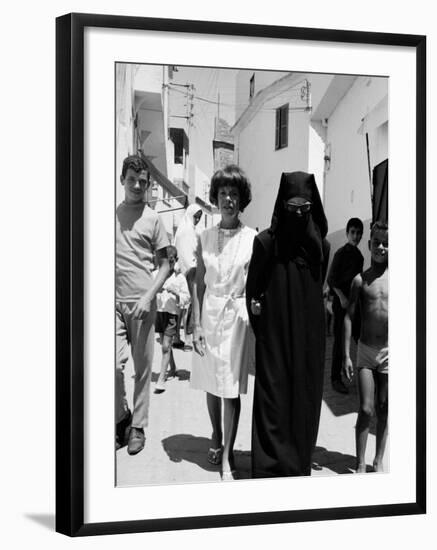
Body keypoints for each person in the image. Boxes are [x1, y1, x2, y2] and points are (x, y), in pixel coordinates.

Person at [246, 171, 330, 479]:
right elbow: (252, 290)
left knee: (303, 399)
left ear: (312, 208)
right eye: (291, 206)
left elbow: (316, 288)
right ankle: (268, 467)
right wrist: (262, 324)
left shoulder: (320, 247)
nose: (297, 213)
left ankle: (297, 465)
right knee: (274, 399)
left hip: (309, 341)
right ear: (282, 205)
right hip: (276, 339)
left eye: (303, 208)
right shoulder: (266, 244)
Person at [190, 165, 256, 480]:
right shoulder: (204, 237)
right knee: (210, 383)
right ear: (215, 198)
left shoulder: (252, 238)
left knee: (230, 389)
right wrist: (196, 325)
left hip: (236, 318)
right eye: (222, 193)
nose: (228, 199)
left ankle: (228, 455)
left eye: (233, 193)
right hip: (210, 314)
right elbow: (199, 283)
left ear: (242, 199)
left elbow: (257, 283)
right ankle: (216, 434)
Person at [115, 154, 170, 455]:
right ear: (122, 180)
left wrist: (149, 296)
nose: (137, 185)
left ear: (148, 185)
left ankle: (137, 426)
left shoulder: (153, 219)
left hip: (142, 304)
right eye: (132, 179)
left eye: (143, 182)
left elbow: (165, 265)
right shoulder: (110, 215)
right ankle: (120, 417)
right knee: (111, 366)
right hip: (112, 304)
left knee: (142, 368)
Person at [343, 221, 388, 473]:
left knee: (384, 408)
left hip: (389, 353)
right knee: (366, 408)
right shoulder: (360, 281)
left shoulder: (398, 279)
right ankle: (360, 461)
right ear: (369, 245)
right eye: (376, 242)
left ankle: (378, 459)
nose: (381, 247)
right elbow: (348, 316)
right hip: (365, 351)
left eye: (386, 243)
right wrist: (345, 356)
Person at [327, 218, 364, 394]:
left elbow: (357, 282)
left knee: (358, 337)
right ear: (347, 233)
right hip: (340, 303)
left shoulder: (359, 257)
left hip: (353, 305)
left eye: (358, 233)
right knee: (340, 342)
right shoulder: (340, 254)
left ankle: (362, 372)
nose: (355, 236)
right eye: (353, 232)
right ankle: (335, 378)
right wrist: (341, 297)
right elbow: (331, 279)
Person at [154, 246, 190, 393]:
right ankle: (173, 367)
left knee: (165, 346)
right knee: (164, 344)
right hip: (159, 313)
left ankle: (161, 379)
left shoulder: (180, 278)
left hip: (171, 314)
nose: (169, 265)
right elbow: (147, 291)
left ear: (176, 261)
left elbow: (186, 298)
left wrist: (176, 293)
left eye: (171, 261)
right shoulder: (155, 275)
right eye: (165, 261)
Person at [174, 204, 203, 349]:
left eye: (199, 217)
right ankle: (187, 338)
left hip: (185, 271)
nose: (197, 219)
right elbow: (188, 254)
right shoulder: (187, 231)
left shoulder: (184, 229)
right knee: (188, 308)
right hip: (189, 272)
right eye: (195, 216)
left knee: (184, 309)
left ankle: (180, 337)